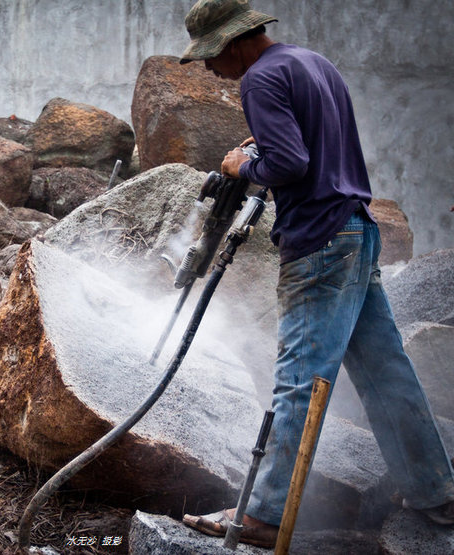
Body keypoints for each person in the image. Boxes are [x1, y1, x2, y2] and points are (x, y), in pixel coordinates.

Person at [177, 0, 454, 548]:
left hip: (320, 244)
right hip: (357, 229)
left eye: (211, 56)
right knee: (385, 370)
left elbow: (290, 164)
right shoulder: (313, 64)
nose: (210, 69)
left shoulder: (258, 80)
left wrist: (240, 166)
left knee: (299, 380)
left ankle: (264, 515)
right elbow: (312, 145)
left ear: (234, 43)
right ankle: (436, 492)